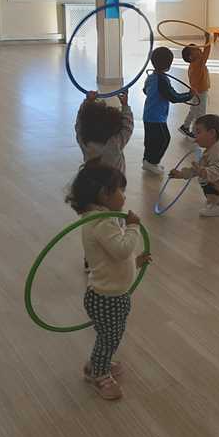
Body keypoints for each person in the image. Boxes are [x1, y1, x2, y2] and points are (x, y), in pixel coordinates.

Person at [66, 161, 151, 400]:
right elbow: (121, 250)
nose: (124, 195)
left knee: (109, 335)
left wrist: (136, 262)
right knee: (109, 338)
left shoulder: (99, 218)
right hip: (108, 298)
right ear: (104, 194)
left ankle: (97, 364)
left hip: (107, 293)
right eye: (120, 190)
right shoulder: (102, 223)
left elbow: (112, 259)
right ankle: (99, 374)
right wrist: (133, 227)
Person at [169, 114, 219, 217]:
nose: (195, 136)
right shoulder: (214, 148)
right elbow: (197, 169)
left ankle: (217, 205)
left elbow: (218, 170)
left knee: (204, 178)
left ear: (211, 133)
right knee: (204, 173)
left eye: (198, 132)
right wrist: (182, 174)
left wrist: (203, 172)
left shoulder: (215, 153)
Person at [141, 46, 193, 174]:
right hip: (156, 117)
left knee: (151, 140)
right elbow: (173, 97)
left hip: (149, 114)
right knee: (164, 139)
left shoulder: (151, 77)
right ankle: (152, 162)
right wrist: (189, 95)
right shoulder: (163, 80)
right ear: (168, 65)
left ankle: (148, 161)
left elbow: (145, 90)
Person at [75, 90, 134, 173]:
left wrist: (87, 102)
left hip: (91, 178)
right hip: (115, 180)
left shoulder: (85, 143)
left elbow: (80, 123)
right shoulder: (115, 143)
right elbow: (127, 127)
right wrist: (125, 106)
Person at [178, 43, 210, 139]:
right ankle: (196, 133)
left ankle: (185, 126)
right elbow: (206, 52)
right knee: (200, 113)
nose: (199, 49)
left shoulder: (196, 63)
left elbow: (204, 52)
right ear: (191, 57)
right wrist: (208, 40)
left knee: (194, 110)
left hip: (196, 91)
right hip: (200, 91)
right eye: (195, 49)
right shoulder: (198, 64)